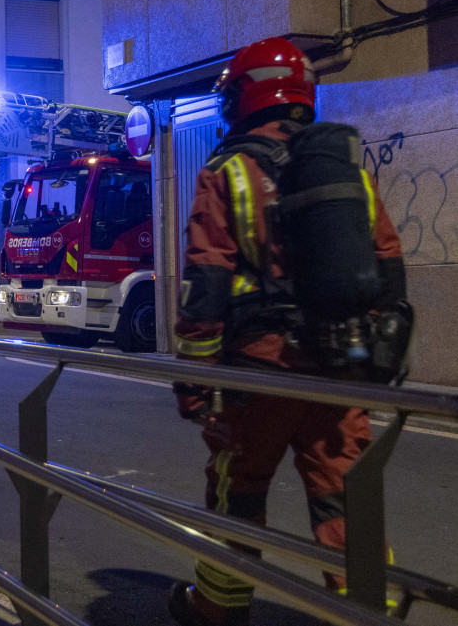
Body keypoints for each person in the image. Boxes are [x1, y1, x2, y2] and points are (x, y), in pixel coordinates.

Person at [167, 37, 407, 626]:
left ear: (245, 96)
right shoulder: (343, 168)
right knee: (345, 494)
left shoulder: (228, 171)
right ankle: (373, 610)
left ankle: (216, 611)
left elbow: (207, 282)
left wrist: (194, 382)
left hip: (260, 373)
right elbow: (386, 258)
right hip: (339, 367)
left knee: (238, 490)